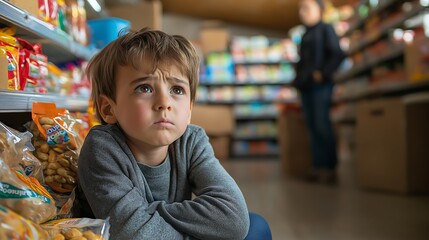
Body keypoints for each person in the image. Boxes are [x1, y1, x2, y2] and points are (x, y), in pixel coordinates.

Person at [75, 28, 272, 239]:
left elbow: (233, 219)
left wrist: (145, 214)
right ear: (108, 109)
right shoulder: (102, 148)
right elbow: (133, 234)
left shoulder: (191, 140)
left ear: (189, 110)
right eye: (144, 88)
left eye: (177, 90)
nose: (164, 103)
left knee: (256, 225)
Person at [293, 0, 345, 183]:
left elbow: (337, 54)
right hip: (306, 87)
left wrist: (322, 74)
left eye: (307, 8)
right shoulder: (306, 33)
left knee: (322, 125)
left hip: (320, 86)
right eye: (301, 8)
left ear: (320, 10)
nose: (302, 12)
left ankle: (330, 168)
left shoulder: (326, 29)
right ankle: (317, 166)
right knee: (313, 127)